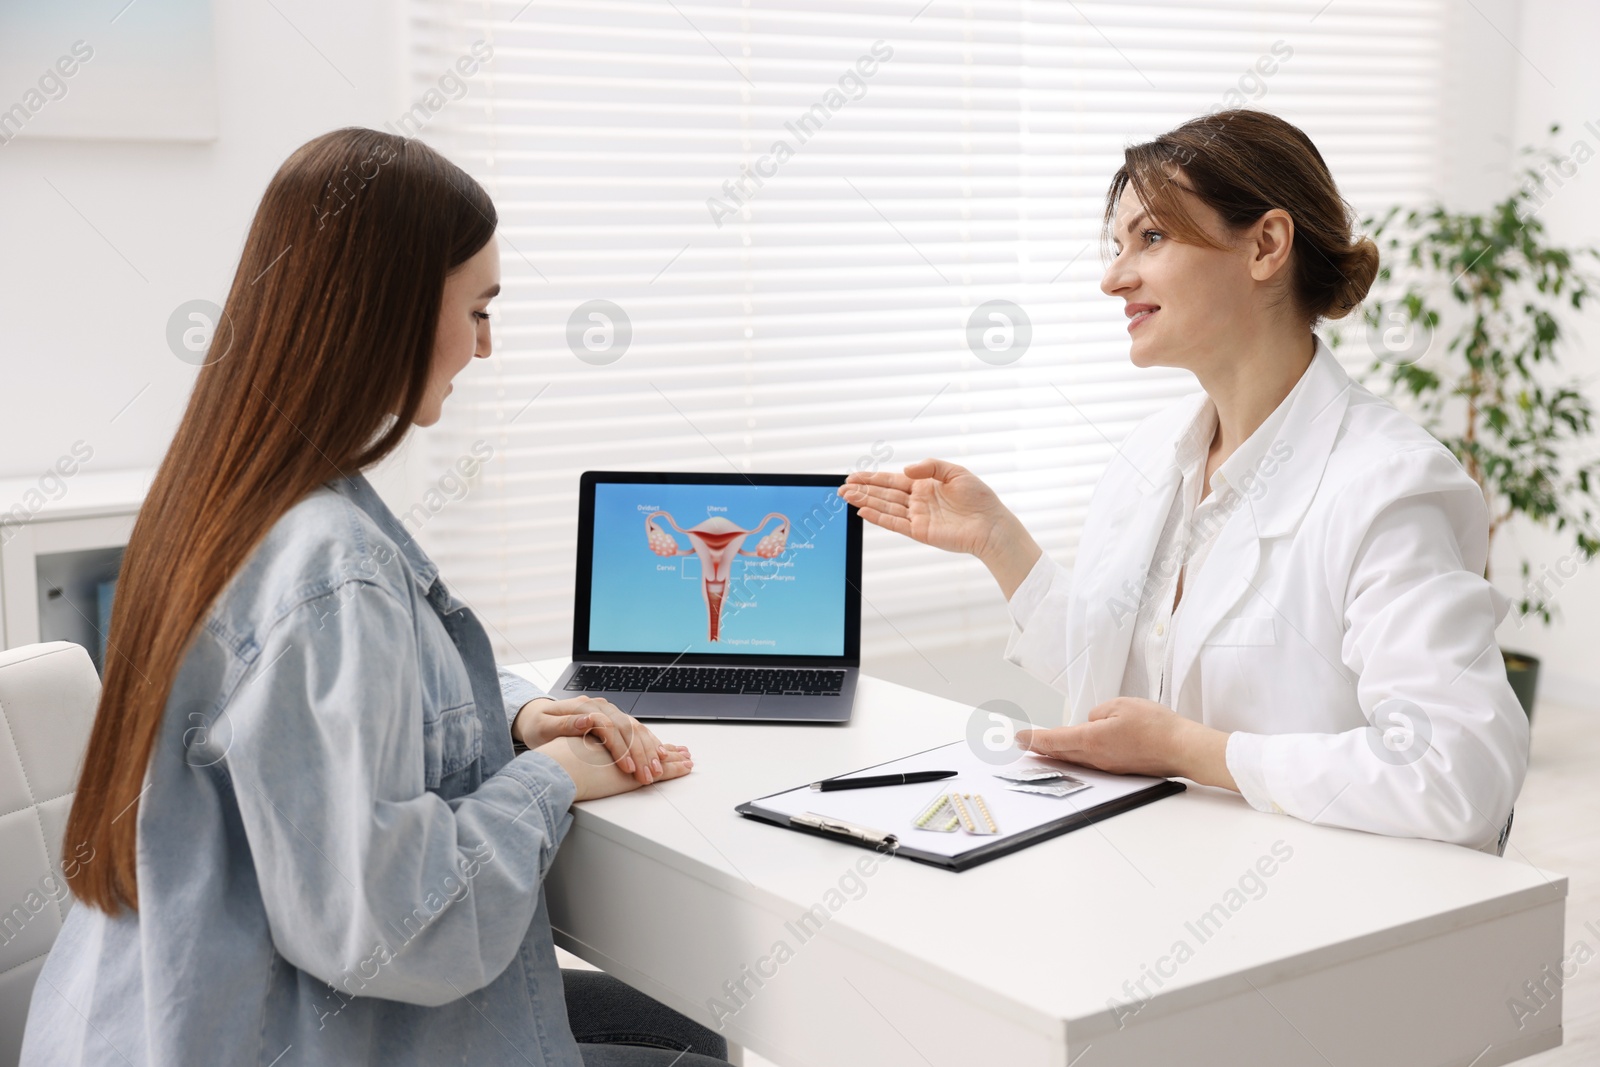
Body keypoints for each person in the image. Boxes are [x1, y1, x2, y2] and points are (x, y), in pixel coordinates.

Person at [22, 128, 729, 1066]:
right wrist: (549, 781)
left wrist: (512, 721)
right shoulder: (332, 570)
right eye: (477, 309)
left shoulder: (222, 497)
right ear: (390, 310)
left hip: (140, 1014)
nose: (485, 345)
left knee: (667, 1022)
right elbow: (397, 928)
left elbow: (323, 750)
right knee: (698, 1038)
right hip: (279, 1028)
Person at [841, 109, 1528, 852]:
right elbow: (1120, 679)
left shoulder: (1387, 486)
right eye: (1116, 245)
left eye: (1151, 238)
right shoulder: (1151, 456)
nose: (1112, 278)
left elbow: (1459, 770)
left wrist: (1195, 750)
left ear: (1265, 245)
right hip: (1153, 869)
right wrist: (999, 542)